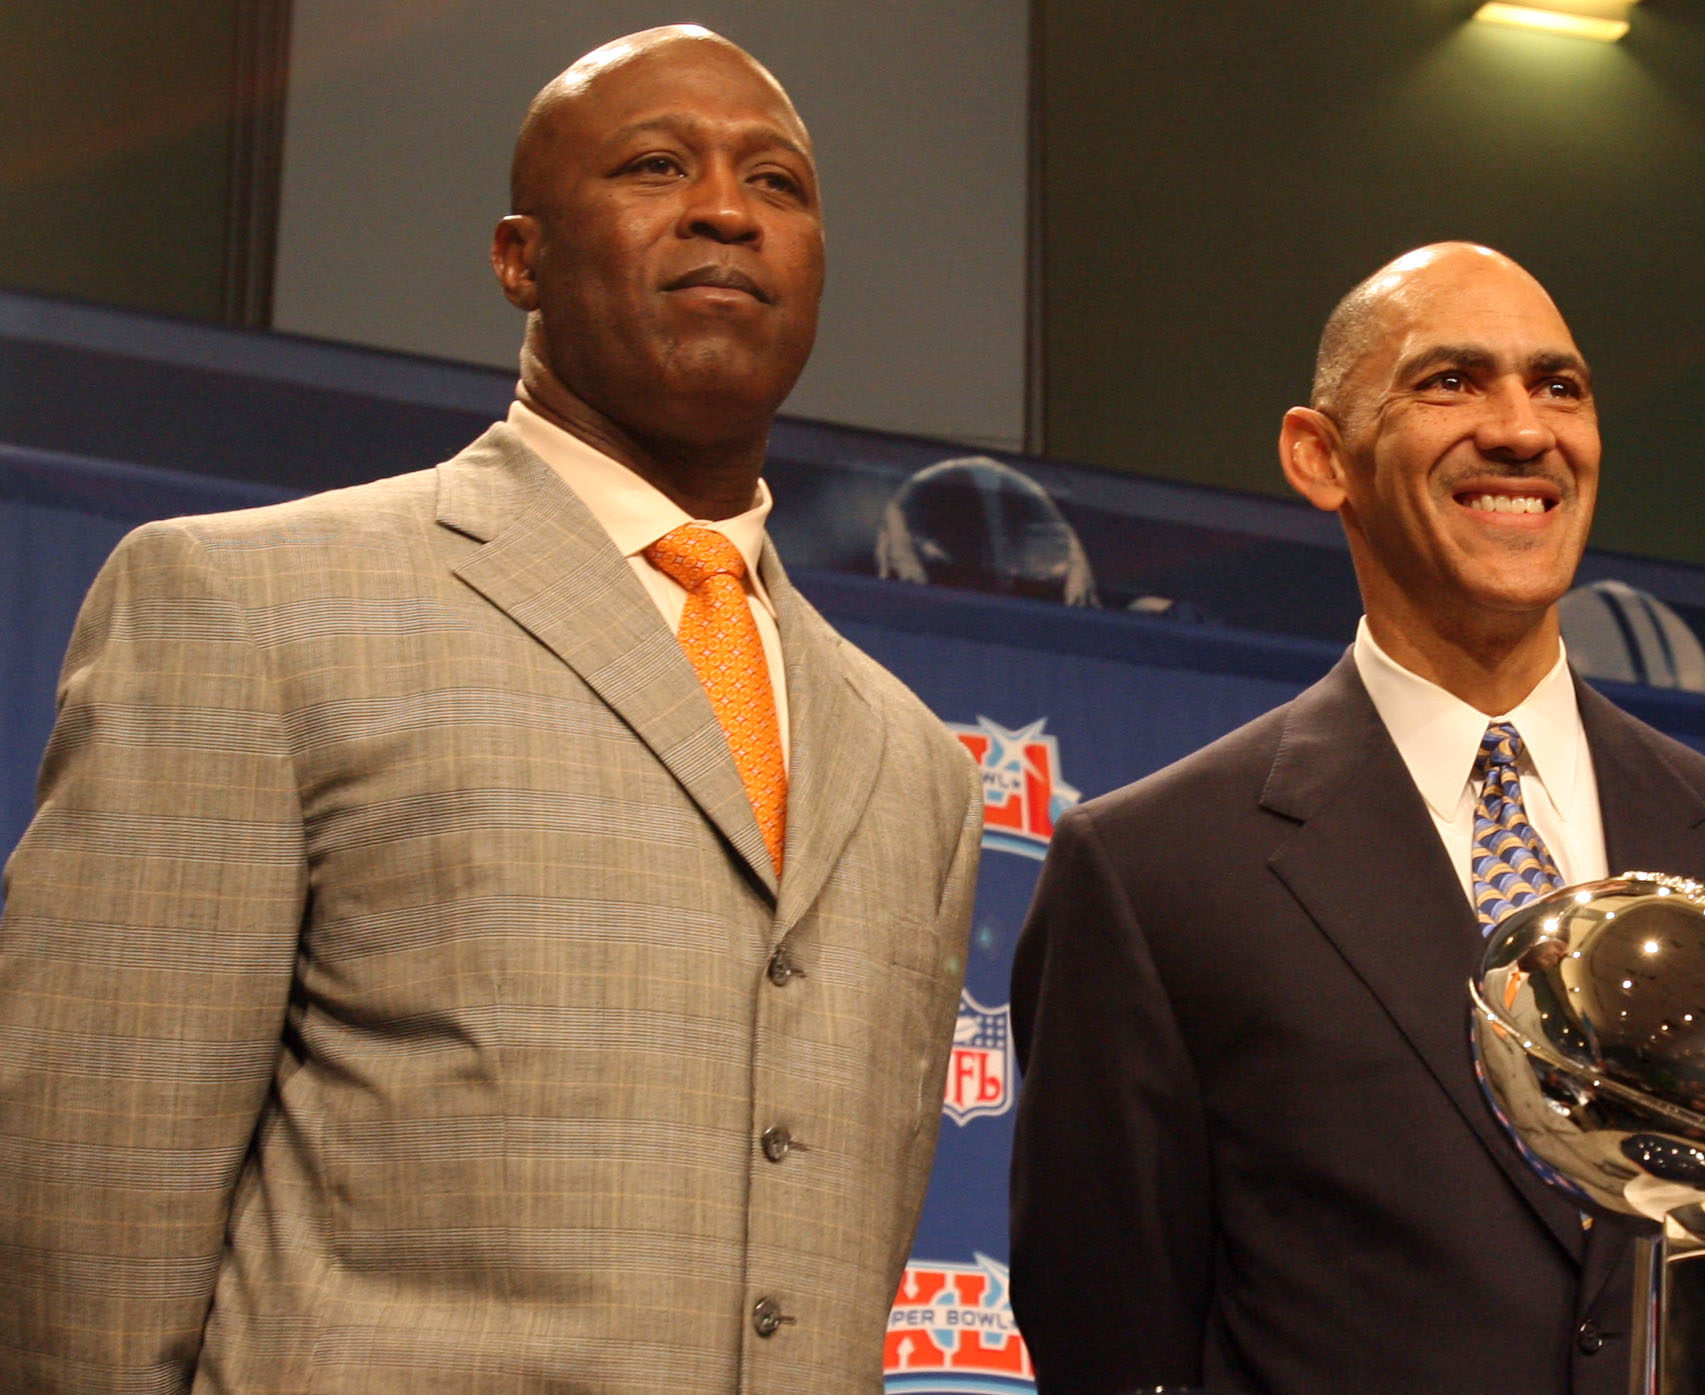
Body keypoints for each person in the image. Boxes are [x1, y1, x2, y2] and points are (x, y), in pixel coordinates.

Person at [0, 27, 979, 1394]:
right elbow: (92, 1199)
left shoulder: (911, 758)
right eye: (655, 165)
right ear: (521, 257)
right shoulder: (250, 606)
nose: (724, 207)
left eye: (778, 184)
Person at [1008, 243, 1705, 1395]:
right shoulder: (1157, 875)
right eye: (1449, 382)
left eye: (1558, 387)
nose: (1520, 431)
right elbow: (1108, 1341)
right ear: (1319, 456)